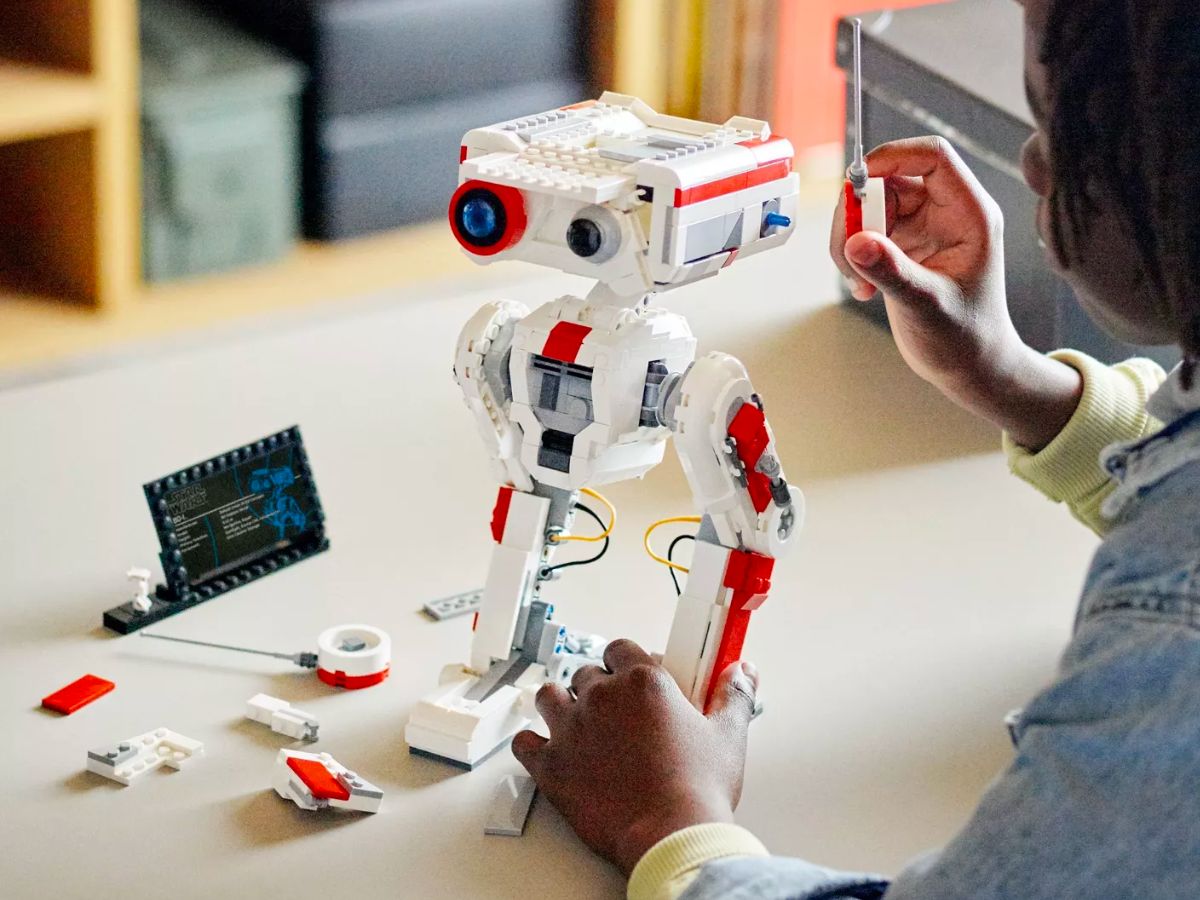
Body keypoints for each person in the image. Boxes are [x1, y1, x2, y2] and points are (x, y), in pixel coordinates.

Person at [511, 0, 1200, 896]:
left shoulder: (1173, 642)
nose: (1030, 160)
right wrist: (1010, 381)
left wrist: (667, 824)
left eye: (1059, 127)